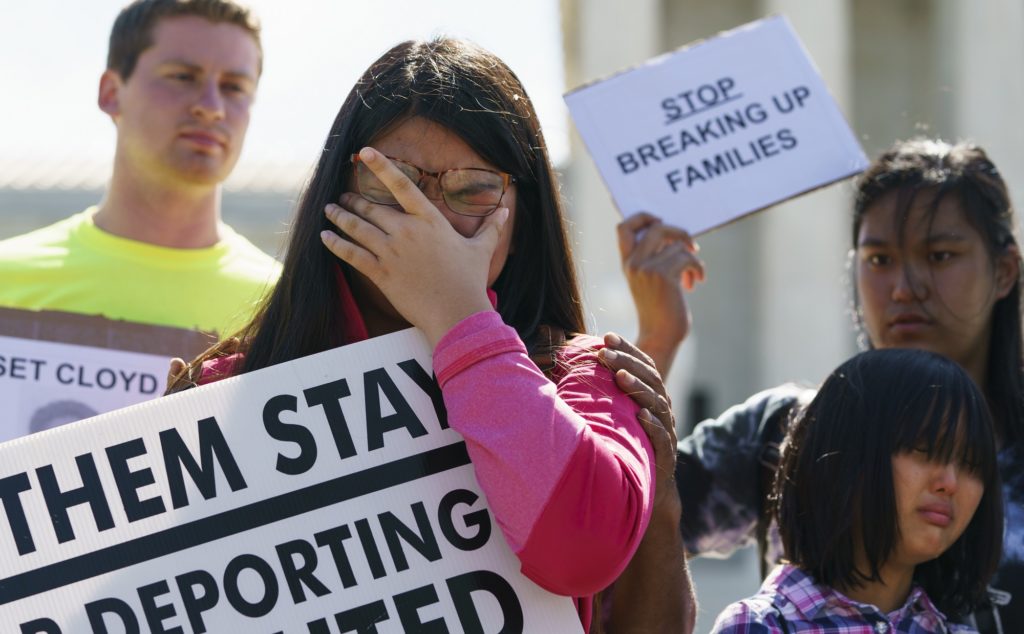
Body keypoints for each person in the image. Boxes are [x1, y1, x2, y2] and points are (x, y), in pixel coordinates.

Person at [167, 37, 682, 632]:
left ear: (524, 215)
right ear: (337, 192)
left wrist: (459, 317)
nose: (428, 222)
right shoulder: (229, 389)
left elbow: (577, 555)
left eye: (471, 190)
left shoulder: (587, 382)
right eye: (391, 185)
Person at [617, 138, 1023, 632]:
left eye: (939, 256)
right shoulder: (783, 430)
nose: (903, 287)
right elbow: (613, 523)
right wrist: (657, 339)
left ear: (1004, 271)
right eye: (879, 259)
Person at [0, 0, 281, 336]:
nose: (211, 108)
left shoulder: (284, 307)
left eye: (234, 86)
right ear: (111, 93)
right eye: (182, 77)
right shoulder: (8, 281)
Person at [711, 348, 1003, 633]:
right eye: (923, 449)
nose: (950, 483)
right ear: (845, 456)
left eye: (972, 463)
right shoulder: (760, 625)